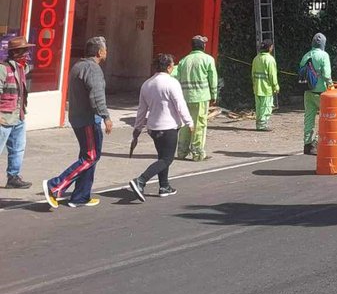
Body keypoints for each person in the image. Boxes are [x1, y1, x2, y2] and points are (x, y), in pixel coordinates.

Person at [42, 36, 112, 209]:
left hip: (77, 117)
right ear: (99, 52)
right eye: (105, 49)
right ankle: (55, 186)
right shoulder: (92, 69)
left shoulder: (78, 66)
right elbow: (97, 96)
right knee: (91, 156)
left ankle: (81, 196)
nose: (106, 52)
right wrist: (106, 116)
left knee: (88, 156)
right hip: (88, 119)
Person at [128, 54, 194, 201]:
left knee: (162, 156)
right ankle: (141, 180)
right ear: (169, 67)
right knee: (167, 159)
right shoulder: (171, 83)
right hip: (169, 127)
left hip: (153, 128)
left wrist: (137, 129)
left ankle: (164, 186)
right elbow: (180, 104)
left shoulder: (147, 84)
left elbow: (141, 110)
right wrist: (189, 122)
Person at [175, 35, 218, 162]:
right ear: (202, 46)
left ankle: (182, 151)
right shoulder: (208, 59)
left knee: (185, 124)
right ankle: (198, 153)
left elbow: (177, 78)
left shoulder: (183, 61)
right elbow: (213, 79)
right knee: (199, 124)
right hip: (201, 97)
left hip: (185, 98)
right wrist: (214, 94)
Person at [1, 35, 32, 189]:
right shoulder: (3, 68)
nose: (27, 53)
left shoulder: (21, 68)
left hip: (18, 116)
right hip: (4, 117)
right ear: (16, 52)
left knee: (18, 148)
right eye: (24, 50)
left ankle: (13, 177)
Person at [299, 31, 333, 156]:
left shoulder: (305, 56)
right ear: (323, 44)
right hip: (321, 93)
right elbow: (327, 75)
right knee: (326, 119)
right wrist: (331, 87)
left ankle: (308, 145)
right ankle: (320, 143)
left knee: (308, 118)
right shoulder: (324, 55)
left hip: (307, 92)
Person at [251, 43, 279, 131]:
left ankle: (259, 124)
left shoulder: (256, 58)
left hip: (257, 87)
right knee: (266, 106)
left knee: (259, 107)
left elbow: (252, 74)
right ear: (269, 48)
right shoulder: (270, 60)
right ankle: (262, 125)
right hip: (266, 88)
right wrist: (276, 86)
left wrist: (254, 84)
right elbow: (272, 75)